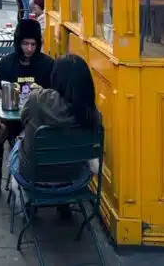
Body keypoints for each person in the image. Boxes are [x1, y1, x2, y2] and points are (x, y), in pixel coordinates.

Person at [0, 19, 54, 201]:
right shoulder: (7, 63)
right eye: (25, 44)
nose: (29, 49)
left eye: (33, 44)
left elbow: (55, 96)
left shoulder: (47, 64)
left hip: (36, 121)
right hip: (9, 118)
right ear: (18, 43)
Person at [8, 54, 100, 188]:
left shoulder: (38, 99)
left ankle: (16, 192)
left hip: (33, 178)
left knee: (18, 141)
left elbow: (24, 118)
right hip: (74, 180)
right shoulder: (91, 112)